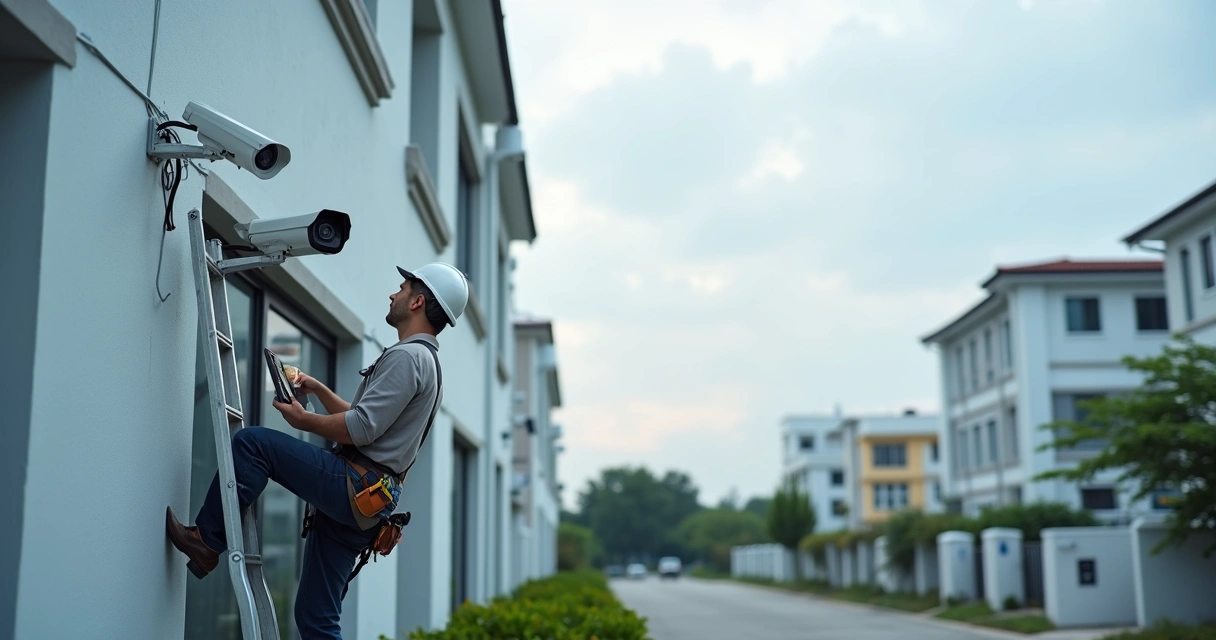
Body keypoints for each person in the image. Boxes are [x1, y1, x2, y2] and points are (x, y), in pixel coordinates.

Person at [166, 263, 469, 639]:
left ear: (418, 302)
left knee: (252, 444)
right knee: (316, 617)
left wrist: (303, 420)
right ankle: (207, 543)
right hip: (368, 501)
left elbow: (360, 428)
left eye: (403, 288)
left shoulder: (409, 358)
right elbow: (368, 421)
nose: (394, 294)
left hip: (354, 486)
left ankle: (207, 542)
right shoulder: (426, 362)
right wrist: (320, 390)